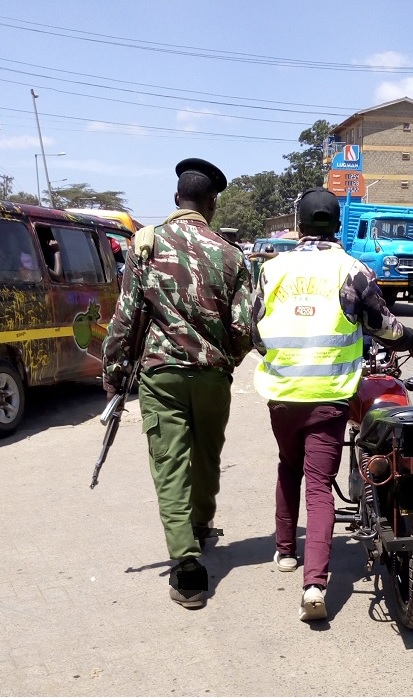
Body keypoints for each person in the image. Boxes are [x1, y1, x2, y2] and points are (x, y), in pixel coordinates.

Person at [251, 187, 413, 622]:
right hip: (331, 395)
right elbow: (384, 326)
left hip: (282, 393)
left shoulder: (272, 269)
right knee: (319, 484)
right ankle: (315, 585)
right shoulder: (350, 270)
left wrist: (286, 357)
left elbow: (254, 329)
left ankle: (284, 552)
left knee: (287, 466)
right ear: (337, 226)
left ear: (298, 226)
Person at [102, 157, 253, 608]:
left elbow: (125, 319)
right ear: (212, 204)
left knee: (170, 464)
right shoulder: (232, 255)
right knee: (207, 456)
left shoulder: (145, 247)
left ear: (175, 199)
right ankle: (202, 526)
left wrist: (112, 376)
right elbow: (246, 328)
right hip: (211, 376)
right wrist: (225, 360)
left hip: (160, 376)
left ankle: (187, 567)